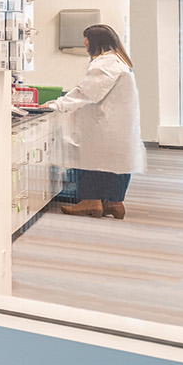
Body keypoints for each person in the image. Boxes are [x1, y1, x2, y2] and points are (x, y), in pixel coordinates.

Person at [43, 23, 144, 219]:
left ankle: (90, 202)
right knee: (115, 164)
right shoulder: (119, 61)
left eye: (87, 39)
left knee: (92, 161)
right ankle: (114, 203)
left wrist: (58, 104)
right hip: (118, 126)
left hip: (103, 125)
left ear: (97, 41)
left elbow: (86, 92)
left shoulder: (105, 64)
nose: (84, 42)